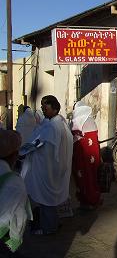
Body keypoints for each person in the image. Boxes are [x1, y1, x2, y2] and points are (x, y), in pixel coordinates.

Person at [20, 95, 73, 235]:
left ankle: (49, 228)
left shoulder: (52, 126)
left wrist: (24, 150)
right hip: (53, 168)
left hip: (47, 169)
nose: (43, 108)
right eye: (42, 106)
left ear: (54, 108)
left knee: (46, 200)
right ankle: (52, 224)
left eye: (46, 106)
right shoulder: (58, 122)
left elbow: (39, 143)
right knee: (49, 200)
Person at [0, 130, 32, 254]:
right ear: (14, 155)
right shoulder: (14, 182)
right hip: (4, 238)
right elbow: (19, 218)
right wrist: (13, 243)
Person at [70, 101, 102, 210]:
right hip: (92, 156)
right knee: (92, 177)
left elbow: (74, 138)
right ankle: (93, 198)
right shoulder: (91, 120)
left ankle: (87, 200)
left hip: (82, 157)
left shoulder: (78, 122)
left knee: (83, 179)